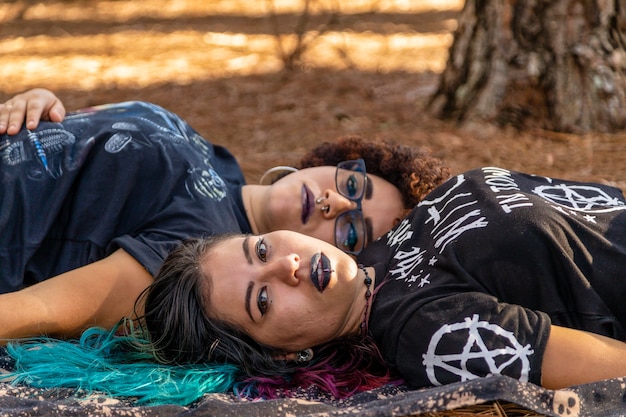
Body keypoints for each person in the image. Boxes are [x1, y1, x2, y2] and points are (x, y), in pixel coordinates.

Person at [0, 88, 450, 341]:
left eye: (351, 232)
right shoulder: (223, 164)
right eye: (355, 185)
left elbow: (39, 310)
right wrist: (38, 100)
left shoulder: (204, 263)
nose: (337, 203)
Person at [139, 166, 626, 399]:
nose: (284, 266)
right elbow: (612, 368)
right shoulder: (426, 333)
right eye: (262, 299)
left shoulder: (383, 242)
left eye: (261, 249)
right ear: (282, 355)